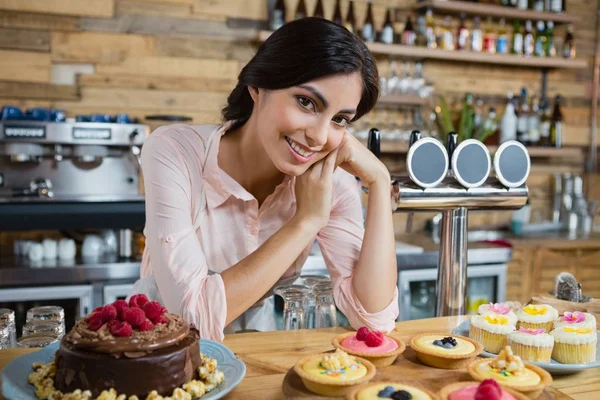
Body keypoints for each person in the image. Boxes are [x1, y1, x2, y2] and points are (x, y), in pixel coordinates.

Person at [132, 17, 399, 342]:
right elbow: (193, 319)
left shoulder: (328, 180)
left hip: (255, 346)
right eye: (306, 102)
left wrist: (381, 181)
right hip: (154, 348)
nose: (318, 137)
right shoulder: (175, 150)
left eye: (340, 120)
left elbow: (375, 319)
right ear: (258, 86)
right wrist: (305, 221)